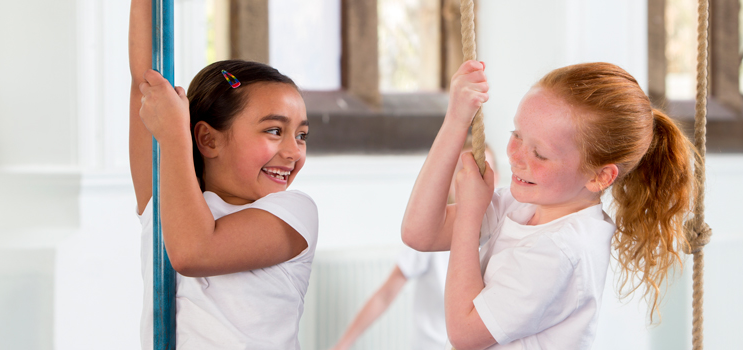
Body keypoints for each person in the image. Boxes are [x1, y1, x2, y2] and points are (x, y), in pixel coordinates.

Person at [402, 61, 696, 350]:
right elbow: (420, 233)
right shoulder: (523, 205)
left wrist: (469, 212)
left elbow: (464, 334)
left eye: (539, 154)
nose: (516, 156)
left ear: (599, 176)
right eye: (516, 134)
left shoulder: (563, 249)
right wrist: (456, 120)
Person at [129, 1, 318, 349]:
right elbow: (143, 81)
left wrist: (173, 138)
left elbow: (193, 254)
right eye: (275, 131)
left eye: (301, 135)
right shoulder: (165, 202)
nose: (294, 152)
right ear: (207, 139)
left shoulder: (293, 214)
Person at [330, 142, 497, 350]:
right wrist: (342, 346)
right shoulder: (430, 236)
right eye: (465, 171)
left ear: (495, 178)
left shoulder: (503, 233)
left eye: (483, 171)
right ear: (454, 180)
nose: (474, 179)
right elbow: (385, 294)